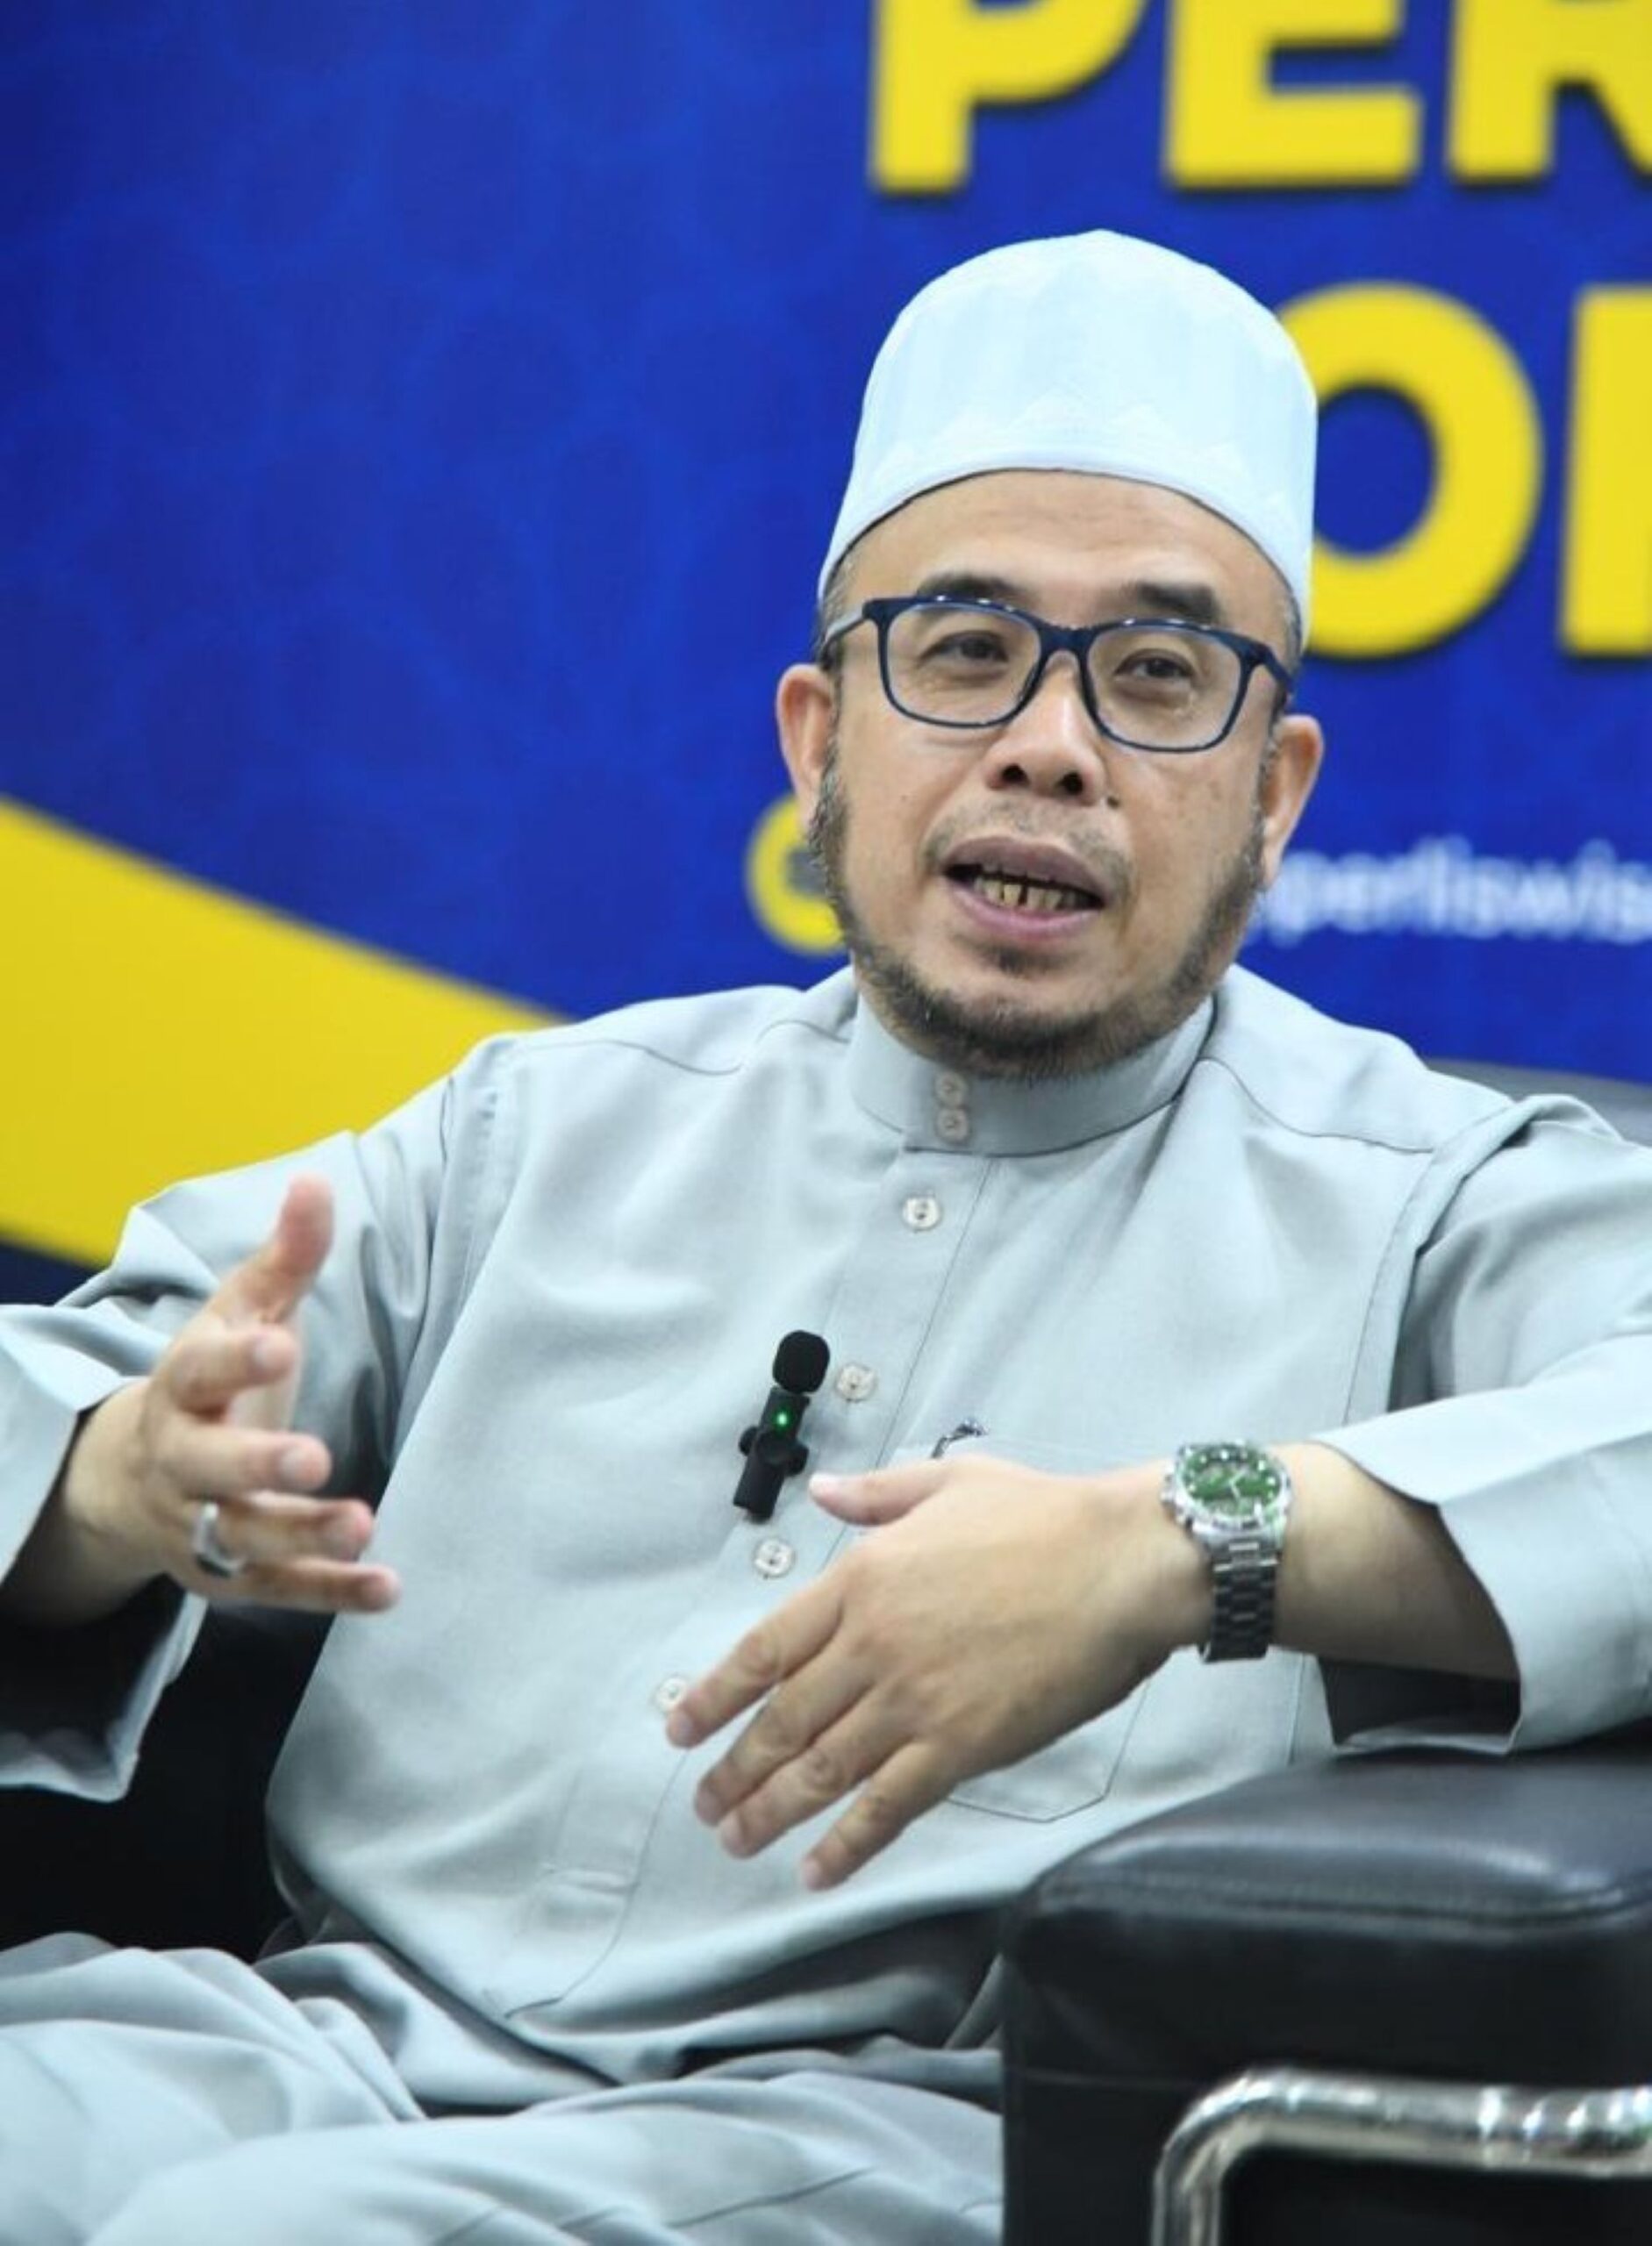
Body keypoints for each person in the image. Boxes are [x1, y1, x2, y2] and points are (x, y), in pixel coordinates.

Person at [2, 229, 1649, 2244]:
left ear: (1274, 793)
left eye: (1158, 674)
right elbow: (87, 1384)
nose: (1050, 741)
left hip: (887, 2137)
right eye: (961, 648)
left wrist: (1172, 1544)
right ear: (818, 738)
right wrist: (113, 1479)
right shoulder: (544, 1128)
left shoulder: (1421, 1194)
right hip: (306, 2030)